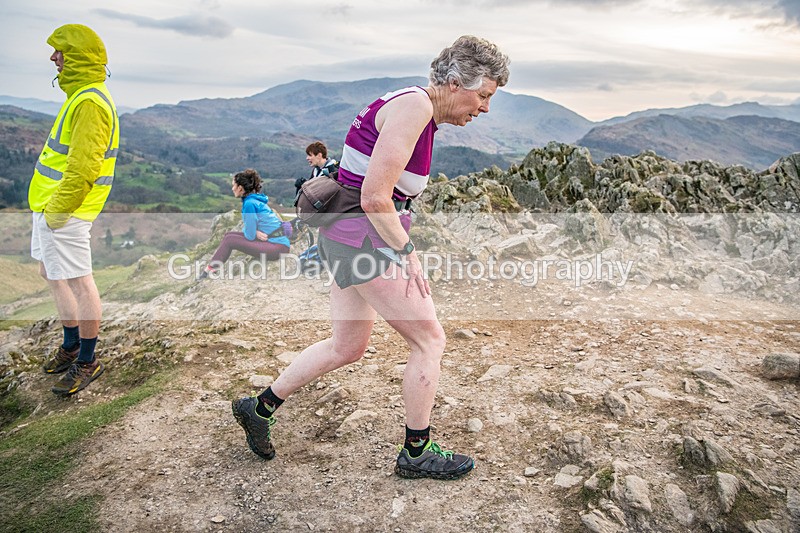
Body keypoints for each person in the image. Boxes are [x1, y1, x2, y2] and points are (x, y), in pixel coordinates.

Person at [233, 35, 510, 480]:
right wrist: (407, 252)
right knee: (429, 340)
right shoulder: (415, 109)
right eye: (484, 96)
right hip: (365, 241)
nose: (485, 108)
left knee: (348, 345)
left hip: (343, 236)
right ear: (456, 83)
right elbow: (375, 197)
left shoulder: (414, 106)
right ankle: (417, 452)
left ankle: (259, 407)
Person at [32, 24, 119, 396]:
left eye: (60, 52)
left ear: (77, 57)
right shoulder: (80, 96)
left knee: (80, 282)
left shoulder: (89, 103)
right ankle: (71, 347)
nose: (53, 58)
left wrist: (57, 212)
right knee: (52, 273)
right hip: (54, 210)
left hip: (66, 213)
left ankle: (87, 360)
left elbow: (84, 167)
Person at [199, 169, 290, 279]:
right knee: (229, 235)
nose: (232, 189)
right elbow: (252, 232)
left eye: (234, 186)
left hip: (277, 248)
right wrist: (256, 232)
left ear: (240, 188)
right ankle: (211, 269)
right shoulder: (256, 200)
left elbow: (250, 235)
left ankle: (208, 271)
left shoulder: (249, 204)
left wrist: (254, 233)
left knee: (229, 240)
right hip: (277, 244)